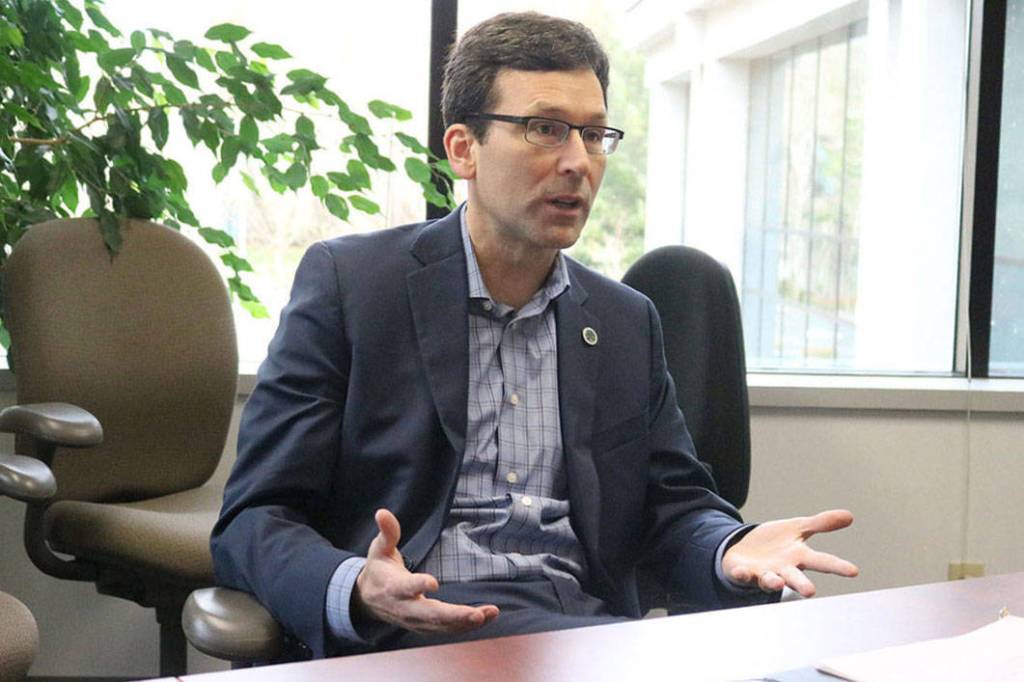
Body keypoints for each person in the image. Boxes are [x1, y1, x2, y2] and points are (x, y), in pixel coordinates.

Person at [211, 11, 859, 660]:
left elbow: (675, 508)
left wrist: (729, 547)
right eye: (545, 129)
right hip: (412, 640)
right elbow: (254, 518)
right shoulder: (352, 286)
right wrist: (357, 586)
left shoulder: (625, 322)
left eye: (594, 135)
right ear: (463, 149)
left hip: (582, 636)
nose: (578, 162)